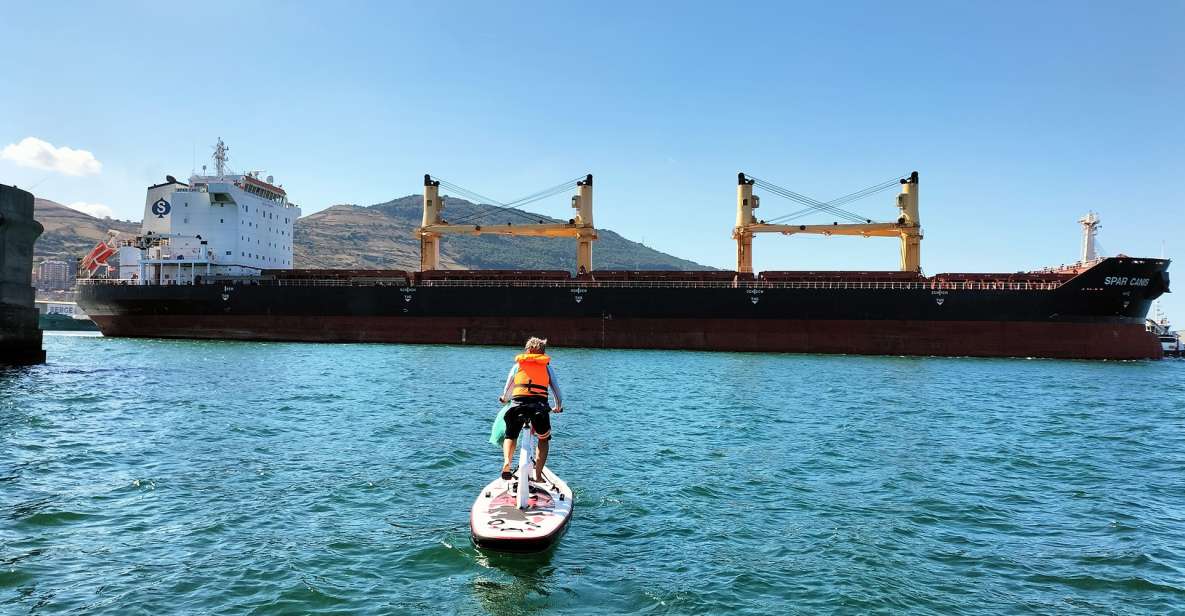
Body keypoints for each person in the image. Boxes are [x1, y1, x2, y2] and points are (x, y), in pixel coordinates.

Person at [498, 337, 563, 482]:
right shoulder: (546, 367)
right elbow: (557, 391)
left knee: (510, 436)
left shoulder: (518, 366)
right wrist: (558, 406)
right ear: (543, 352)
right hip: (538, 408)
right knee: (543, 439)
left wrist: (504, 398)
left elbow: (508, 389)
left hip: (517, 406)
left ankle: (507, 462)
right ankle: (538, 475)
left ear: (526, 351)